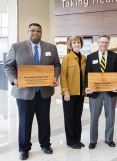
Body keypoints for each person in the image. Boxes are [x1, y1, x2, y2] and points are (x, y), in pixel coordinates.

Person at [3, 23, 60, 160]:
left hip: (44, 92)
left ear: (41, 33)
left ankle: (45, 145)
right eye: (32, 30)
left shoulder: (51, 47)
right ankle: (24, 148)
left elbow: (57, 65)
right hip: (24, 93)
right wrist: (15, 80)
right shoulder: (17, 47)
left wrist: (55, 76)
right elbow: (8, 66)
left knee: (44, 121)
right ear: (28, 32)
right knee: (24, 122)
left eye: (38, 31)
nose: (35, 33)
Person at [85, 35, 117, 149]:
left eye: (106, 42)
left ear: (109, 44)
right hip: (95, 92)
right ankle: (92, 140)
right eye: (102, 42)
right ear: (98, 43)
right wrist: (86, 87)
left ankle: (109, 139)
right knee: (94, 117)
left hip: (110, 92)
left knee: (110, 116)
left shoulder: (115, 57)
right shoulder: (90, 57)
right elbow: (87, 75)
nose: (104, 44)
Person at [60, 35, 86, 149]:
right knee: (69, 118)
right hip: (69, 93)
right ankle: (71, 141)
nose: (77, 44)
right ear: (70, 45)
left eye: (78, 42)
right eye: (74, 43)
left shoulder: (84, 58)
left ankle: (77, 139)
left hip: (80, 93)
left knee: (77, 117)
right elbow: (63, 76)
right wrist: (65, 91)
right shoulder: (66, 58)